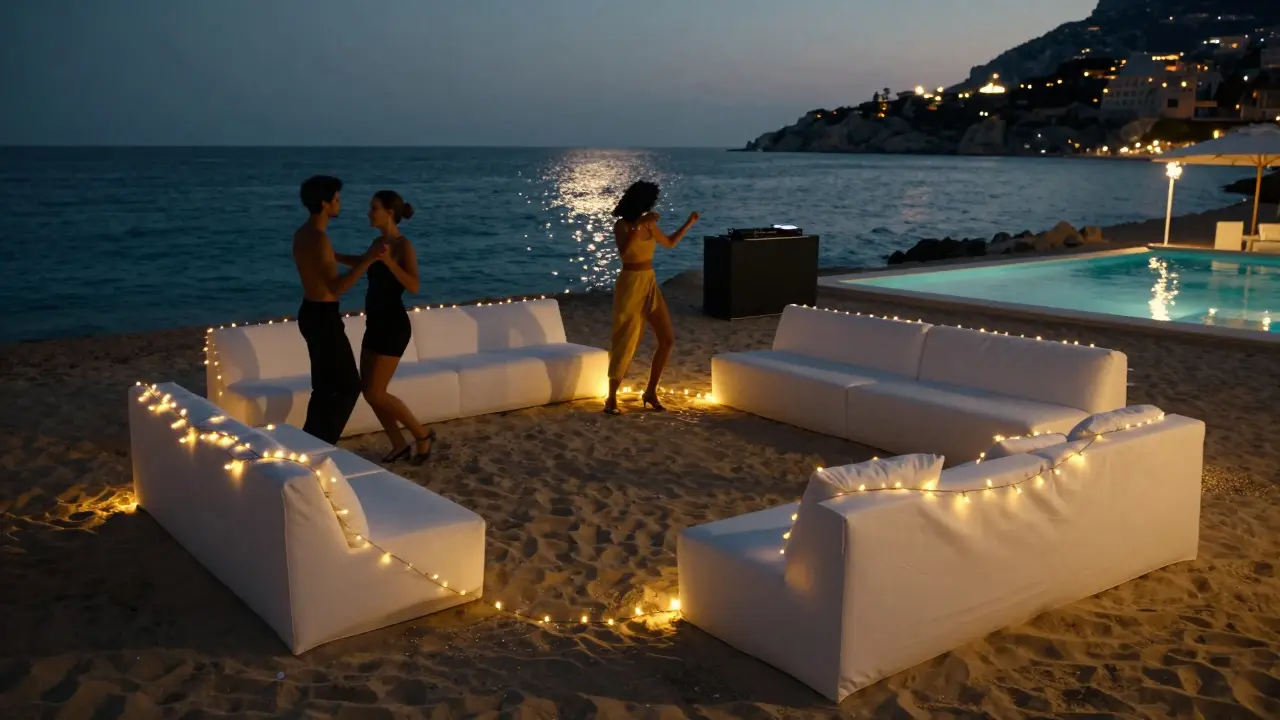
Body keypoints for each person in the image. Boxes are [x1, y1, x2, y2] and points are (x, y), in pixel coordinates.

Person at [335, 190, 435, 464]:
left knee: (375, 392)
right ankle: (399, 443)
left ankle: (422, 434)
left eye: (374, 208)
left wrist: (390, 262)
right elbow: (365, 263)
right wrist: (334, 256)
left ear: (389, 212)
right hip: (375, 323)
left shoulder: (404, 246)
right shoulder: (378, 241)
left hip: (393, 325)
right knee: (368, 391)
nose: (369, 212)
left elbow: (413, 285)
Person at [292, 175, 388, 445]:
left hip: (310, 312)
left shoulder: (303, 234)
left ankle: (308, 444)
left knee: (323, 388)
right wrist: (368, 260)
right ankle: (323, 444)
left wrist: (368, 261)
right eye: (336, 199)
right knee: (349, 386)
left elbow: (324, 266)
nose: (339, 203)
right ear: (325, 203)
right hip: (323, 317)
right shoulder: (320, 238)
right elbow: (336, 288)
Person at [601, 181, 699, 415]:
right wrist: (638, 227)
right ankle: (611, 397)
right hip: (630, 284)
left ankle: (650, 391)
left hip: (650, 283)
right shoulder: (622, 226)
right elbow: (625, 253)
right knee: (624, 341)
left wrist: (689, 223)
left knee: (667, 339)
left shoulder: (650, 224)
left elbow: (670, 243)